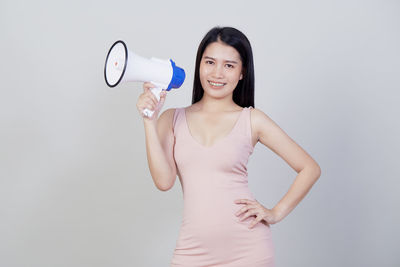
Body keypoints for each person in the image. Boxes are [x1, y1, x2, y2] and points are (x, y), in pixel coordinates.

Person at [136, 26, 321, 267]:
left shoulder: (252, 120)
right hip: (192, 251)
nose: (217, 73)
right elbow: (164, 181)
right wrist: (149, 120)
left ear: (242, 72)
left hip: (248, 251)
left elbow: (309, 168)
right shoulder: (171, 118)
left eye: (229, 65)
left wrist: (275, 213)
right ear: (199, 65)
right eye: (210, 62)